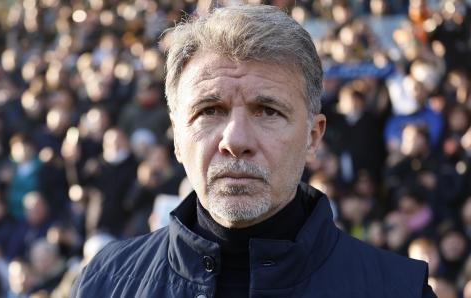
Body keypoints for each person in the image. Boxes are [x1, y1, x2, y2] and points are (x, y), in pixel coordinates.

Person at [70, 4, 436, 297]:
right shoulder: (104, 283)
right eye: (209, 111)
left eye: (268, 111)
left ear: (313, 137)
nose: (236, 140)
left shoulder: (399, 289)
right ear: (177, 137)